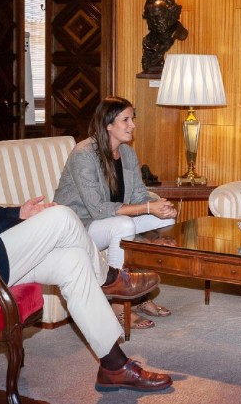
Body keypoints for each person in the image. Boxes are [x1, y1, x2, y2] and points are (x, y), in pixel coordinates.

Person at [0, 87, 173, 392]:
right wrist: (17, 218)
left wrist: (19, 212)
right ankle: (111, 277)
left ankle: (114, 365)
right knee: (60, 216)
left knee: (73, 262)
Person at [54, 96, 178, 330]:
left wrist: (159, 204)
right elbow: (98, 209)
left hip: (110, 221)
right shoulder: (84, 154)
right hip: (81, 226)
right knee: (124, 226)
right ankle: (118, 304)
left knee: (164, 217)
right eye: (126, 120)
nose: (133, 125)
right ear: (108, 124)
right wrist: (148, 208)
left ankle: (140, 295)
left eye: (132, 119)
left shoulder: (127, 154)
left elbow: (140, 196)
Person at [140, 0, 188, 74]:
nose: (155, 22)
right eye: (151, 18)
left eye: (159, 17)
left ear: (170, 14)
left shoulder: (178, 32)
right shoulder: (149, 40)